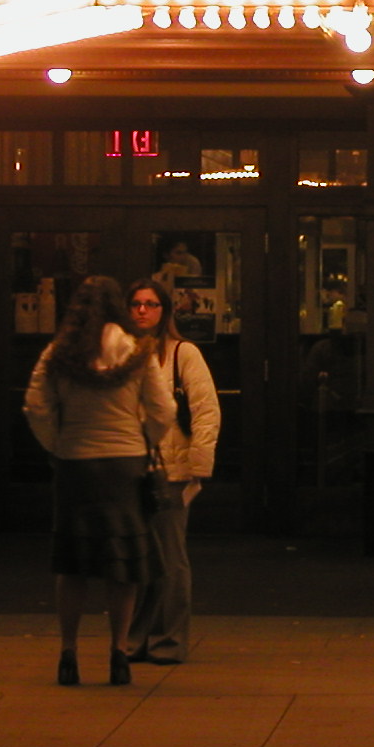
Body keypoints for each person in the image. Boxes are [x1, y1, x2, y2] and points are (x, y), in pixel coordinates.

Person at [23, 275, 176, 686]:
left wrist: (58, 444)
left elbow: (36, 407)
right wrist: (143, 441)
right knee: (121, 565)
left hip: (75, 464)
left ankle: (68, 653)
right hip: (124, 466)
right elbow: (163, 410)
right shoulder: (138, 352)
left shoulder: (58, 353)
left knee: (72, 564)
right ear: (118, 307)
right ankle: (118, 653)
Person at [121, 280, 220, 666]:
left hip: (170, 469)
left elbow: (206, 409)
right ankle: (134, 638)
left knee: (170, 558)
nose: (142, 311)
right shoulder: (121, 353)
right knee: (134, 556)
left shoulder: (182, 354)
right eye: (136, 304)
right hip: (129, 465)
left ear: (165, 311)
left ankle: (167, 639)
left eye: (151, 304)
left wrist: (199, 465)